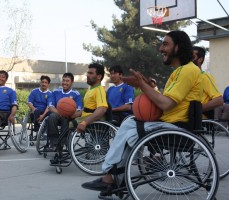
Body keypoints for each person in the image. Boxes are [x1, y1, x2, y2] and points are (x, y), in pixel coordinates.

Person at [81, 30, 202, 192]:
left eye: (165, 44)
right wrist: (143, 84)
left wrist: (142, 85)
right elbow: (164, 99)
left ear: (178, 47)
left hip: (177, 127)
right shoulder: (179, 72)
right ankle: (113, 175)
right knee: (129, 122)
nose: (160, 49)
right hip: (170, 123)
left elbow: (165, 104)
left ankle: (111, 176)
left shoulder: (188, 70)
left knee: (130, 131)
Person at [47, 72, 83, 148]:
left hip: (69, 116)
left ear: (72, 82)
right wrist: (60, 113)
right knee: (51, 117)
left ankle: (63, 142)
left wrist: (69, 114)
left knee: (65, 119)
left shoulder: (76, 94)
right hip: (57, 114)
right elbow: (51, 106)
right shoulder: (55, 91)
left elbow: (79, 110)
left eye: (67, 81)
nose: (64, 83)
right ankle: (54, 141)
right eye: (63, 80)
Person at [76, 63, 108, 133]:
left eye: (91, 73)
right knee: (65, 119)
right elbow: (86, 109)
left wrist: (84, 122)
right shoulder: (90, 89)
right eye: (88, 73)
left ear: (99, 76)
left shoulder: (99, 90)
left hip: (92, 120)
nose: (87, 75)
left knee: (67, 124)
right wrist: (72, 115)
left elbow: (102, 109)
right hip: (84, 117)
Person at [192, 46, 223, 119]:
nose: (188, 59)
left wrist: (197, 110)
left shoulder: (204, 77)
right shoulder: (186, 77)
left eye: (192, 56)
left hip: (200, 121)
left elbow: (218, 100)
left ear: (200, 59)